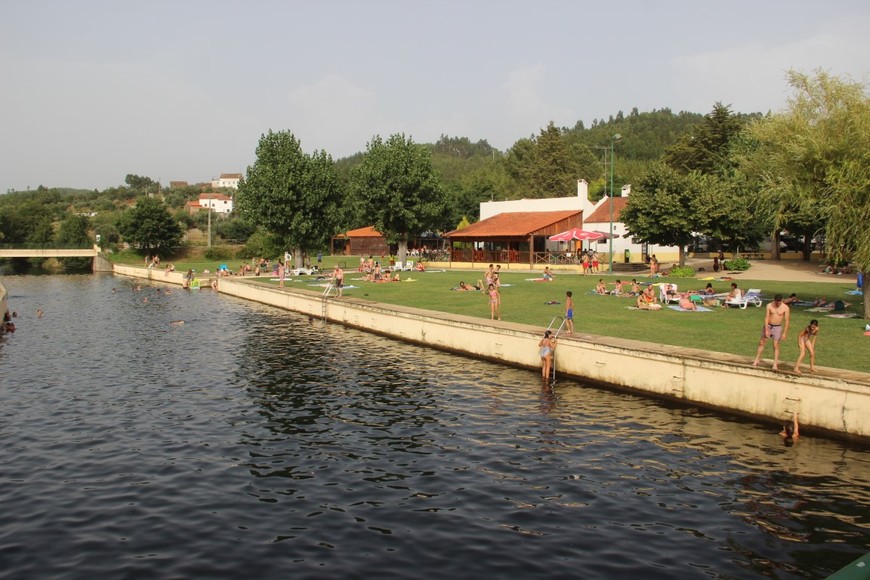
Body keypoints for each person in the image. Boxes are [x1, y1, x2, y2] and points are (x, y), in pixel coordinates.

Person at [753, 293, 791, 370]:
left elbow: (787, 321)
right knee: (762, 342)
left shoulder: (785, 308)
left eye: (779, 302)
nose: (778, 303)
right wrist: (766, 329)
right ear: (774, 300)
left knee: (775, 345)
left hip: (777, 327)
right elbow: (766, 317)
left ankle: (775, 364)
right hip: (769, 325)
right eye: (777, 302)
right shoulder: (769, 306)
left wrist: (784, 333)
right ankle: (756, 359)